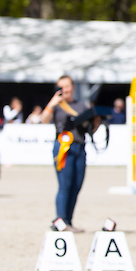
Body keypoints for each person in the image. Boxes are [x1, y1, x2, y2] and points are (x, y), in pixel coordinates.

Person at [40, 75, 92, 232]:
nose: (65, 90)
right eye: (61, 87)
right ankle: (60, 221)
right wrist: (52, 103)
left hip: (80, 147)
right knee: (65, 185)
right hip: (63, 148)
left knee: (76, 186)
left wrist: (96, 121)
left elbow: (89, 129)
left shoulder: (82, 106)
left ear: (73, 87)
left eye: (67, 86)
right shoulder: (57, 105)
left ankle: (68, 221)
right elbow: (44, 119)